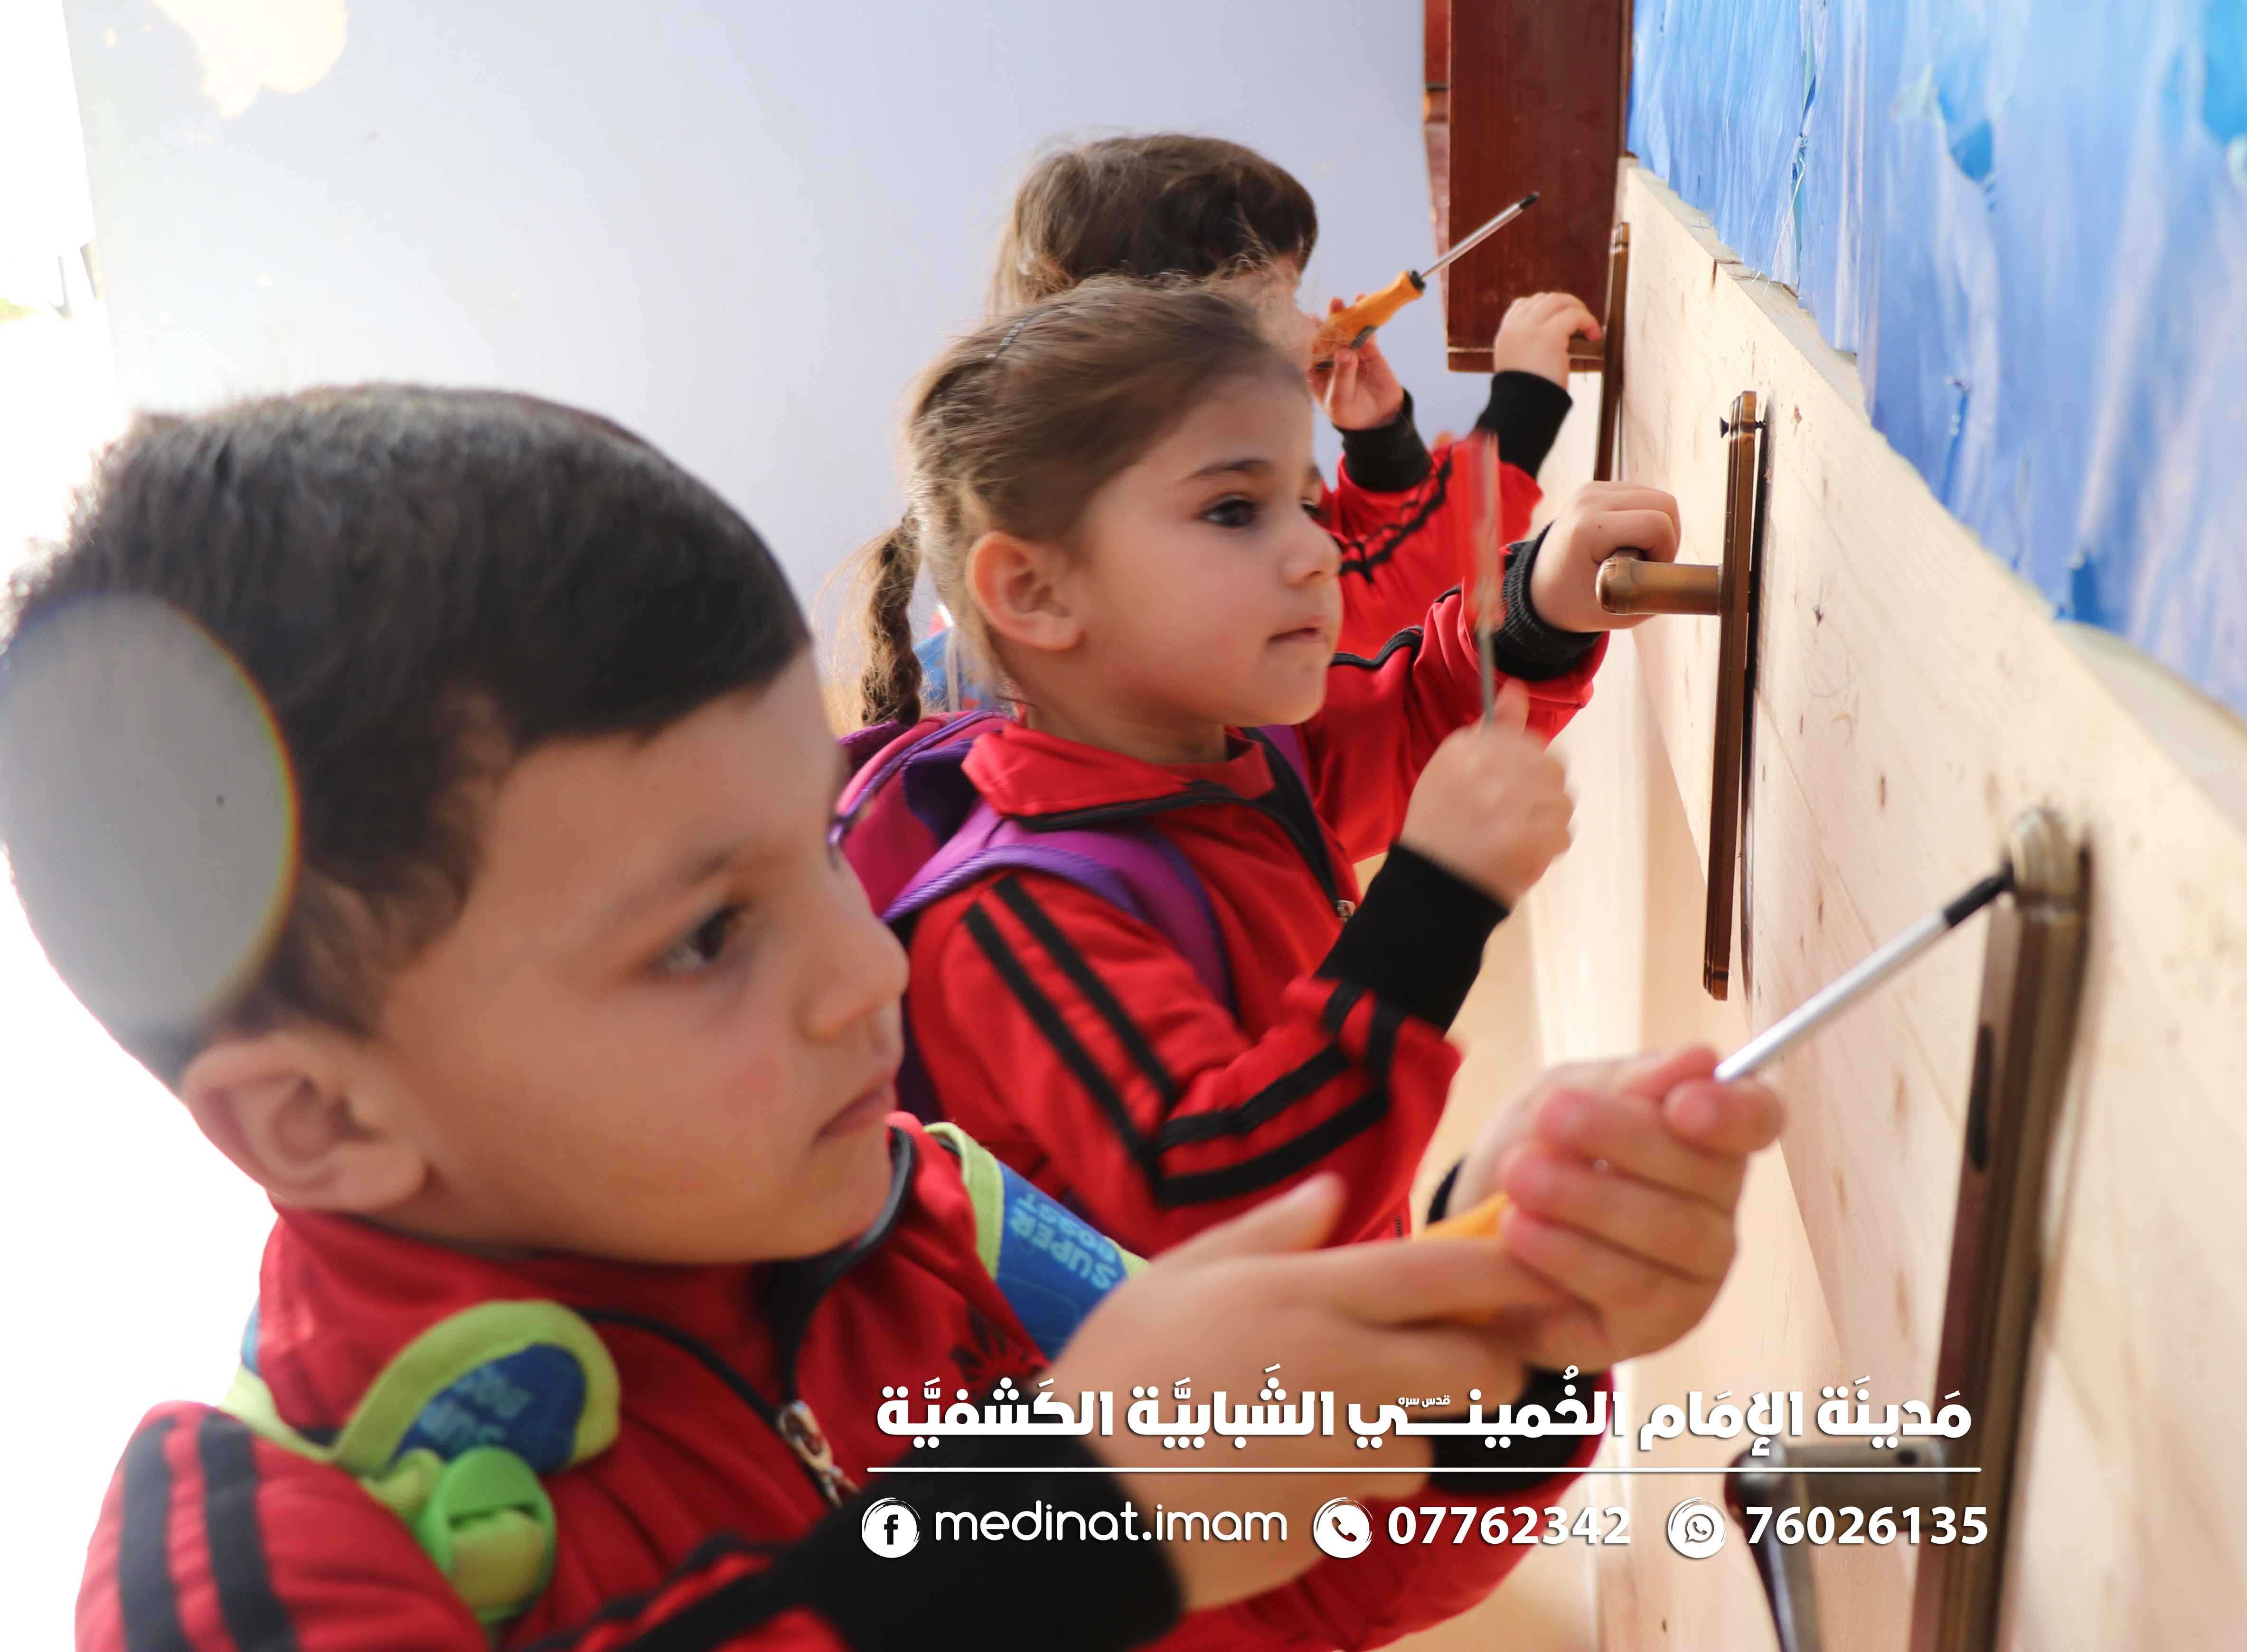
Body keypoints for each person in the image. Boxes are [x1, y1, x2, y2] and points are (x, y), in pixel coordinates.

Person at [0, 386, 1783, 1650]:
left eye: (817, 850)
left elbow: (1295, 1582)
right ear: (319, 1120)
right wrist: (1058, 1525)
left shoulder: (935, 1213)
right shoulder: (245, 1564)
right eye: (708, 937)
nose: (872, 973)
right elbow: (1108, 1539)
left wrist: (1509, 1309)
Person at [846, 280, 1679, 1257]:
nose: (1319, 550)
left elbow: (1417, 708)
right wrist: (1434, 904)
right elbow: (1226, 1197)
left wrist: (1539, 604)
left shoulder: (1237, 743)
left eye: (1306, 501)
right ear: (1034, 591)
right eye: (1235, 509)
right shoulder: (1015, 916)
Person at [903, 130, 1598, 699]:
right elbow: (1397, 594)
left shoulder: (1153, 470)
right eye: (1275, 296)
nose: (1311, 324)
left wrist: (1381, 447)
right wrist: (1526, 401)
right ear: (1167, 333)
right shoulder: (1186, 521)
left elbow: (1358, 557)